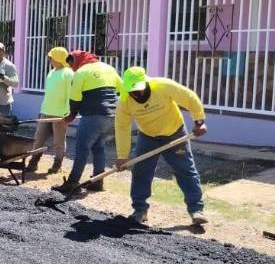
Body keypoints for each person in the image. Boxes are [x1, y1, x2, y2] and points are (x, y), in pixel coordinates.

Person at [114, 67, 208, 225]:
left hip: (174, 133)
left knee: (185, 170)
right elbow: (122, 127)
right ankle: (140, 210)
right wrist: (122, 156)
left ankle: (196, 210)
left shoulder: (163, 86)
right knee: (141, 172)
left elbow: (189, 98)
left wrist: (199, 122)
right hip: (148, 137)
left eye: (139, 90)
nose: (136, 94)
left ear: (145, 82)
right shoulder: (124, 101)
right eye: (132, 91)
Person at [53, 50, 121, 194]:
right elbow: (121, 90)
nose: (72, 68)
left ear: (76, 60)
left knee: (82, 149)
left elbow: (75, 98)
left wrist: (70, 116)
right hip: (111, 116)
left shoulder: (81, 72)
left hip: (93, 117)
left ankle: (72, 182)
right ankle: (98, 182)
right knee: (98, 147)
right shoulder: (109, 68)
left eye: (71, 64)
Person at [26, 47, 74, 174]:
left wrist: (68, 113)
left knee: (58, 141)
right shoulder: (52, 72)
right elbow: (49, 94)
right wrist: (42, 110)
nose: (50, 59)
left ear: (58, 58)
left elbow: (71, 95)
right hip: (46, 112)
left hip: (60, 114)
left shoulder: (68, 73)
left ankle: (57, 164)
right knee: (38, 139)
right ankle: (34, 162)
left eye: (51, 57)